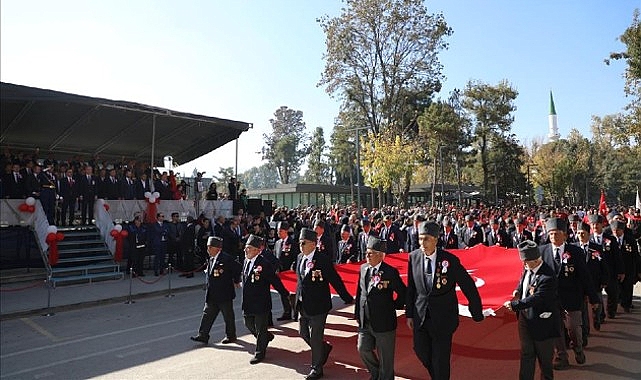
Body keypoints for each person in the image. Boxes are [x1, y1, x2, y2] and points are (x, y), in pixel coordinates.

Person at [406, 221, 484, 380]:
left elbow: (467, 284)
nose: (422, 243)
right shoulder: (413, 257)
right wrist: (409, 314)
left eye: (426, 239)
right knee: (421, 351)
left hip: (443, 318)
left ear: (435, 239)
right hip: (421, 316)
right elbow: (411, 288)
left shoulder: (449, 260)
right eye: (420, 239)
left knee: (440, 359)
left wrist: (476, 311)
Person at [539, 217, 600, 370]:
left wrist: (594, 298)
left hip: (572, 298)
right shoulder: (542, 251)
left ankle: (578, 348)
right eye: (551, 234)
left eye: (557, 234)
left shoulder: (575, 252)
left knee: (573, 328)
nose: (553, 237)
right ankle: (561, 357)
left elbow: (585, 276)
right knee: (556, 329)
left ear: (565, 235)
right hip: (551, 299)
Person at [295, 227, 354, 380]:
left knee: (315, 337)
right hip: (304, 305)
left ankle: (316, 368)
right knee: (303, 333)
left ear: (314, 244)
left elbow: (335, 279)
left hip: (319, 305)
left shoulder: (322, 260)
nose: (301, 246)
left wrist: (346, 297)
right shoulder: (300, 258)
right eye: (300, 243)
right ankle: (324, 348)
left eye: (304, 243)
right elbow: (299, 283)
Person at [504, 240, 559, 380]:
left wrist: (516, 305)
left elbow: (538, 298)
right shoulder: (527, 269)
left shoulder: (548, 276)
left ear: (535, 260)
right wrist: (517, 291)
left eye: (526, 262)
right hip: (525, 319)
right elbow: (522, 282)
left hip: (542, 322)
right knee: (526, 354)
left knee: (544, 359)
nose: (524, 265)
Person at [355, 236, 407, 380]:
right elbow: (360, 293)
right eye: (366, 252)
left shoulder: (390, 272)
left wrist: (395, 305)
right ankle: (377, 374)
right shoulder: (363, 268)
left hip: (384, 321)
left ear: (380, 255)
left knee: (386, 358)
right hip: (366, 320)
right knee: (363, 348)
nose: (367, 256)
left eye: (370, 253)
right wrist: (357, 314)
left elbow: (403, 292)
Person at [241, 235, 291, 364]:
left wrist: (284, 293)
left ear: (257, 250)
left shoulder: (264, 264)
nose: (246, 250)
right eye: (246, 248)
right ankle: (266, 337)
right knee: (248, 323)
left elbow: (274, 280)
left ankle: (260, 353)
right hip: (248, 301)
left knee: (260, 327)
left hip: (261, 302)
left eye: (249, 248)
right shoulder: (246, 260)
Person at [191, 236, 241, 345]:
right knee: (207, 314)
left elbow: (237, 268)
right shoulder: (211, 258)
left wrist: (236, 280)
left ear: (218, 248)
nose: (208, 249)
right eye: (208, 247)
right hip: (212, 293)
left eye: (210, 247)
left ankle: (231, 335)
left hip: (224, 293)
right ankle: (203, 335)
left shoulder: (226, 258)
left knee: (228, 316)